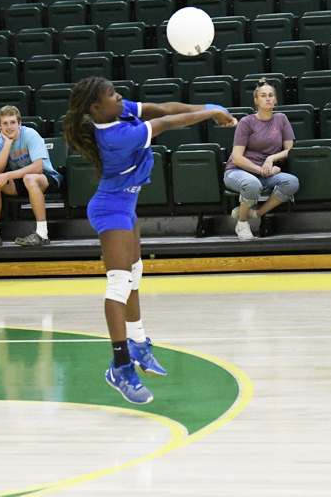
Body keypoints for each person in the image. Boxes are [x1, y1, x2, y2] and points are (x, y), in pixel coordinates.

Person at [62, 77, 236, 405]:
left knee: (135, 274)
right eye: (111, 95)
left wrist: (208, 106)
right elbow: (167, 123)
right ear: (96, 107)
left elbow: (165, 108)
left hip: (126, 206)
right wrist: (211, 112)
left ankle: (139, 342)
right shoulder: (116, 136)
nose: (119, 96)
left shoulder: (119, 111)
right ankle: (120, 366)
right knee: (119, 284)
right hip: (111, 209)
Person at [224, 78, 300, 241]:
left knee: (291, 182)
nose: (268, 99)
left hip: (265, 172)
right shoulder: (246, 122)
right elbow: (237, 158)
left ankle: (256, 213)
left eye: (271, 95)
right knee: (252, 184)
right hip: (238, 172)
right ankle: (242, 222)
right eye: (263, 96)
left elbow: (289, 150)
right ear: (256, 100)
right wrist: (262, 170)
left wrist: (271, 158)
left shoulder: (281, 119)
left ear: (276, 99)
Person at [0, 105, 62, 248]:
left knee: (29, 178)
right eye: (5, 123)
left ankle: (42, 234)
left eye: (13, 122)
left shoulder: (30, 134)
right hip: (22, 181)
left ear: (19, 123)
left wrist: (8, 175)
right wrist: (7, 144)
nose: (9, 127)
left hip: (46, 178)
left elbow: (38, 167)